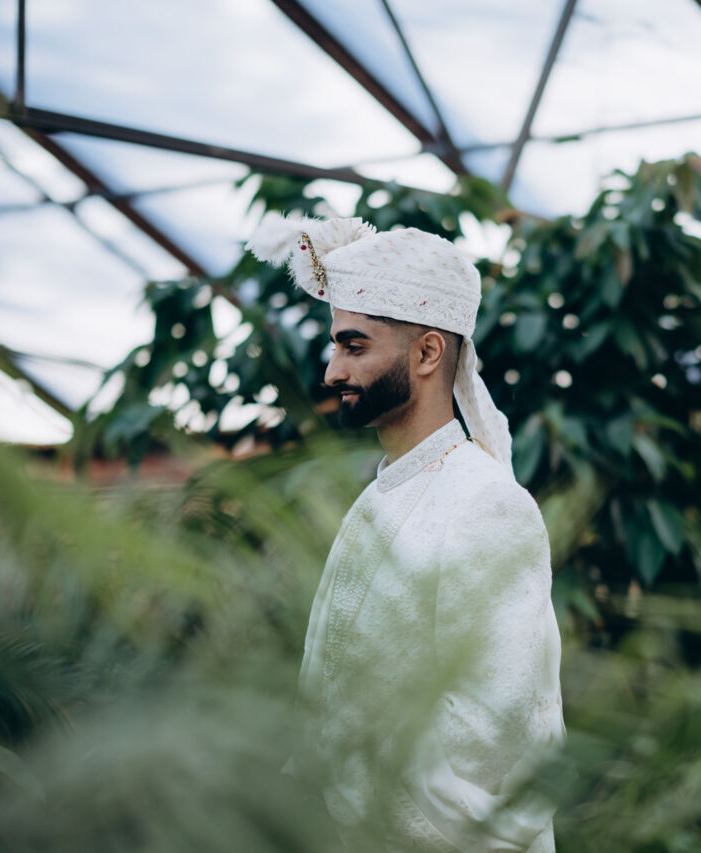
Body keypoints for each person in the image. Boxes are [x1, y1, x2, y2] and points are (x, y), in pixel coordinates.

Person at [246, 213, 564, 853]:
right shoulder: (383, 493)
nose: (332, 372)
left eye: (354, 347)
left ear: (427, 353)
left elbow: (490, 729)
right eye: (337, 347)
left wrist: (348, 767)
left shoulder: (485, 502)